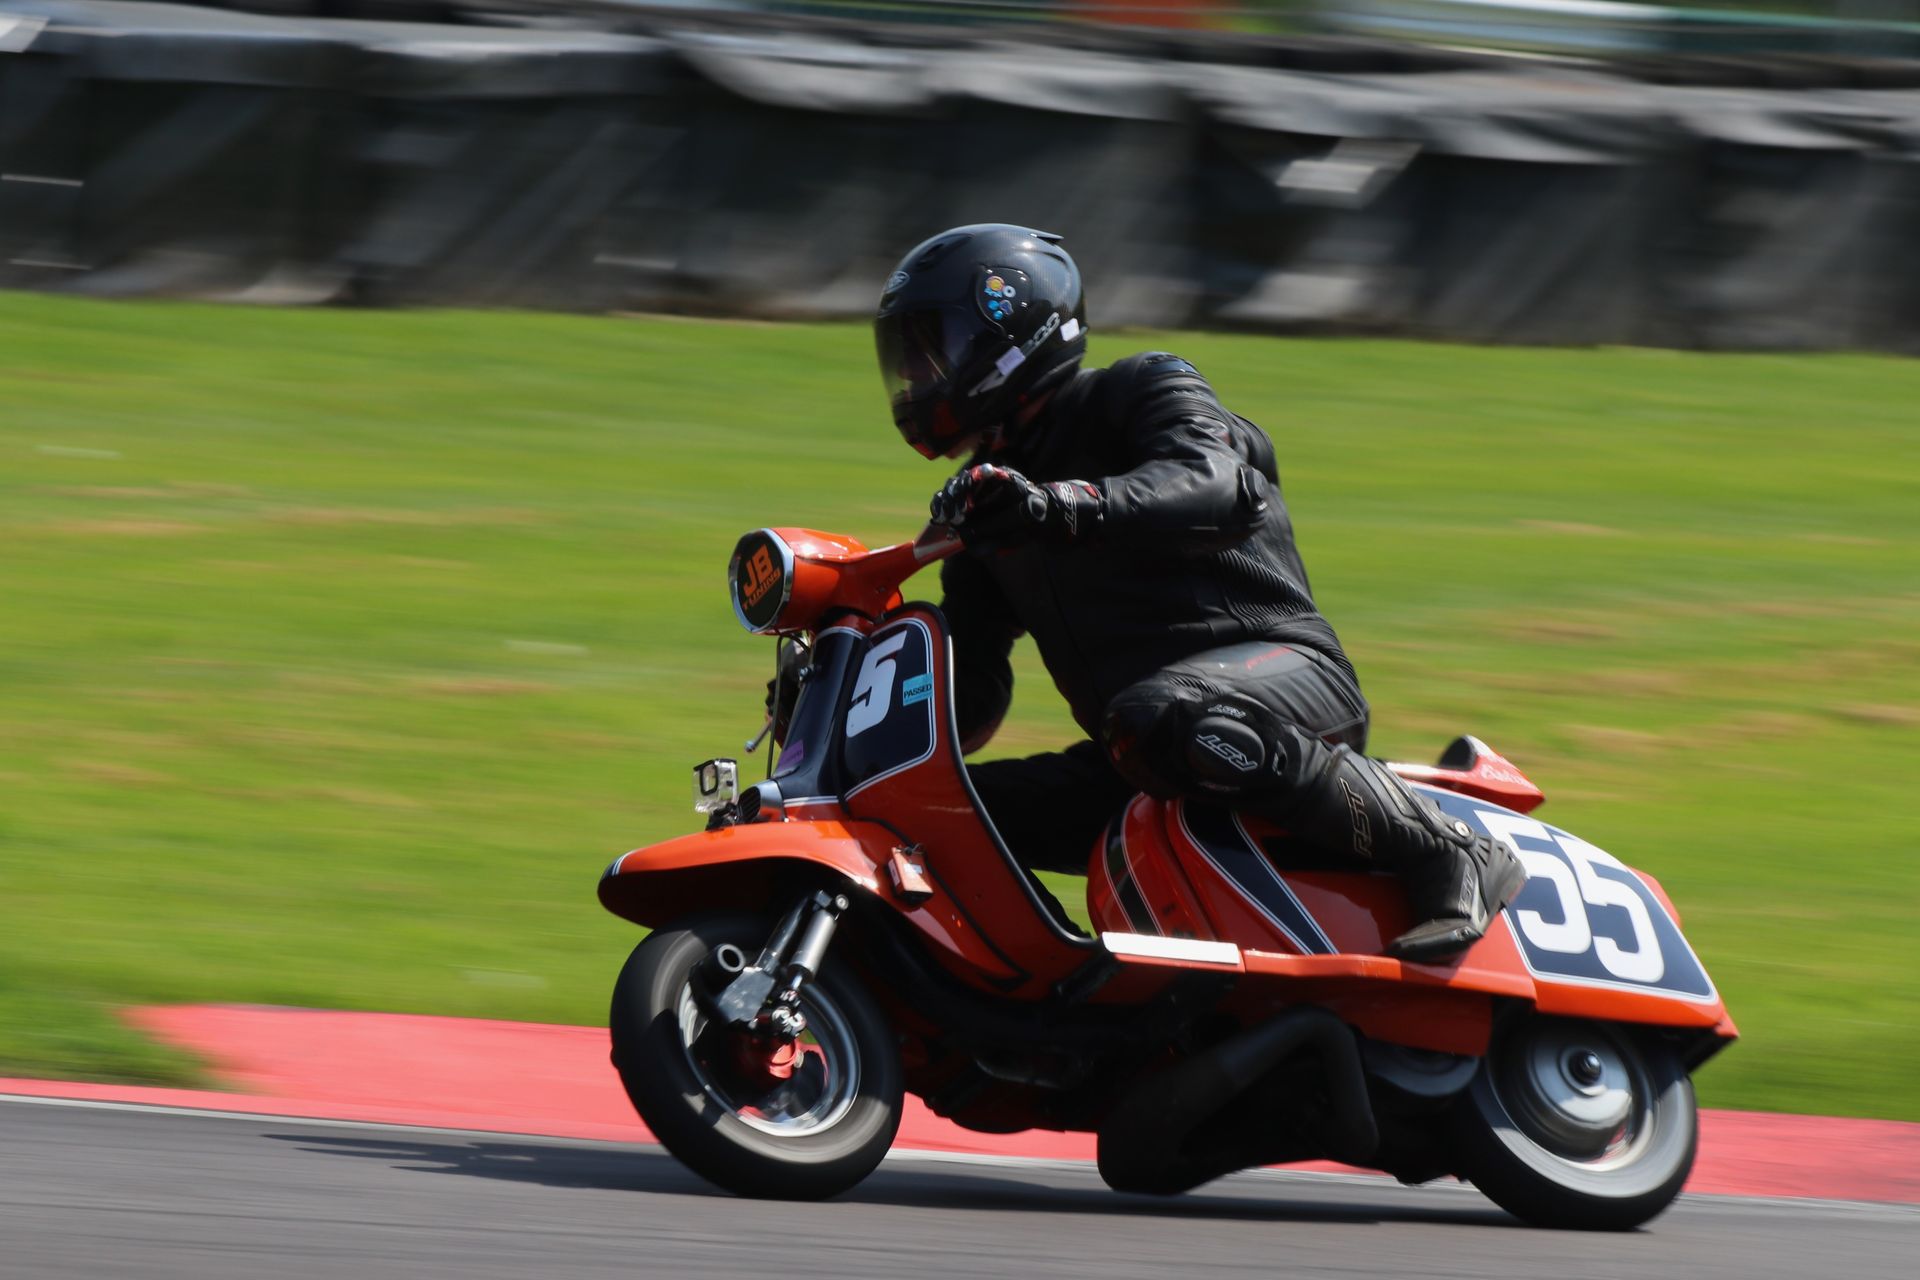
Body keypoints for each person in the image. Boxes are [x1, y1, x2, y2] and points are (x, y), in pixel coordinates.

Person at [871, 223, 1524, 961]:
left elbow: (1220, 488)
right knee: (943, 815)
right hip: (1143, 748)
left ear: (1012, 329)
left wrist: (1065, 506)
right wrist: (854, 707)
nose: (919, 378)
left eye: (935, 351)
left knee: (1156, 715)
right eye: (910, 359)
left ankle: (1449, 849)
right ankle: (1045, 997)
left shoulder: (1142, 386)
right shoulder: (991, 506)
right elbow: (976, 689)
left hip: (1286, 683)